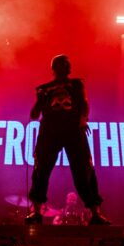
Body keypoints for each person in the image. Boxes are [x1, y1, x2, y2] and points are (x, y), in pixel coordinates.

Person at [26, 55, 110, 225]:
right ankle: (36, 212)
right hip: (50, 132)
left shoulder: (77, 84)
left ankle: (95, 213)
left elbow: (84, 103)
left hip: (73, 130)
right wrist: (39, 100)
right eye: (63, 64)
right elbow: (34, 115)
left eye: (67, 64)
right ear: (55, 68)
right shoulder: (43, 88)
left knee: (84, 170)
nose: (67, 67)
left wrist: (83, 120)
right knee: (41, 169)